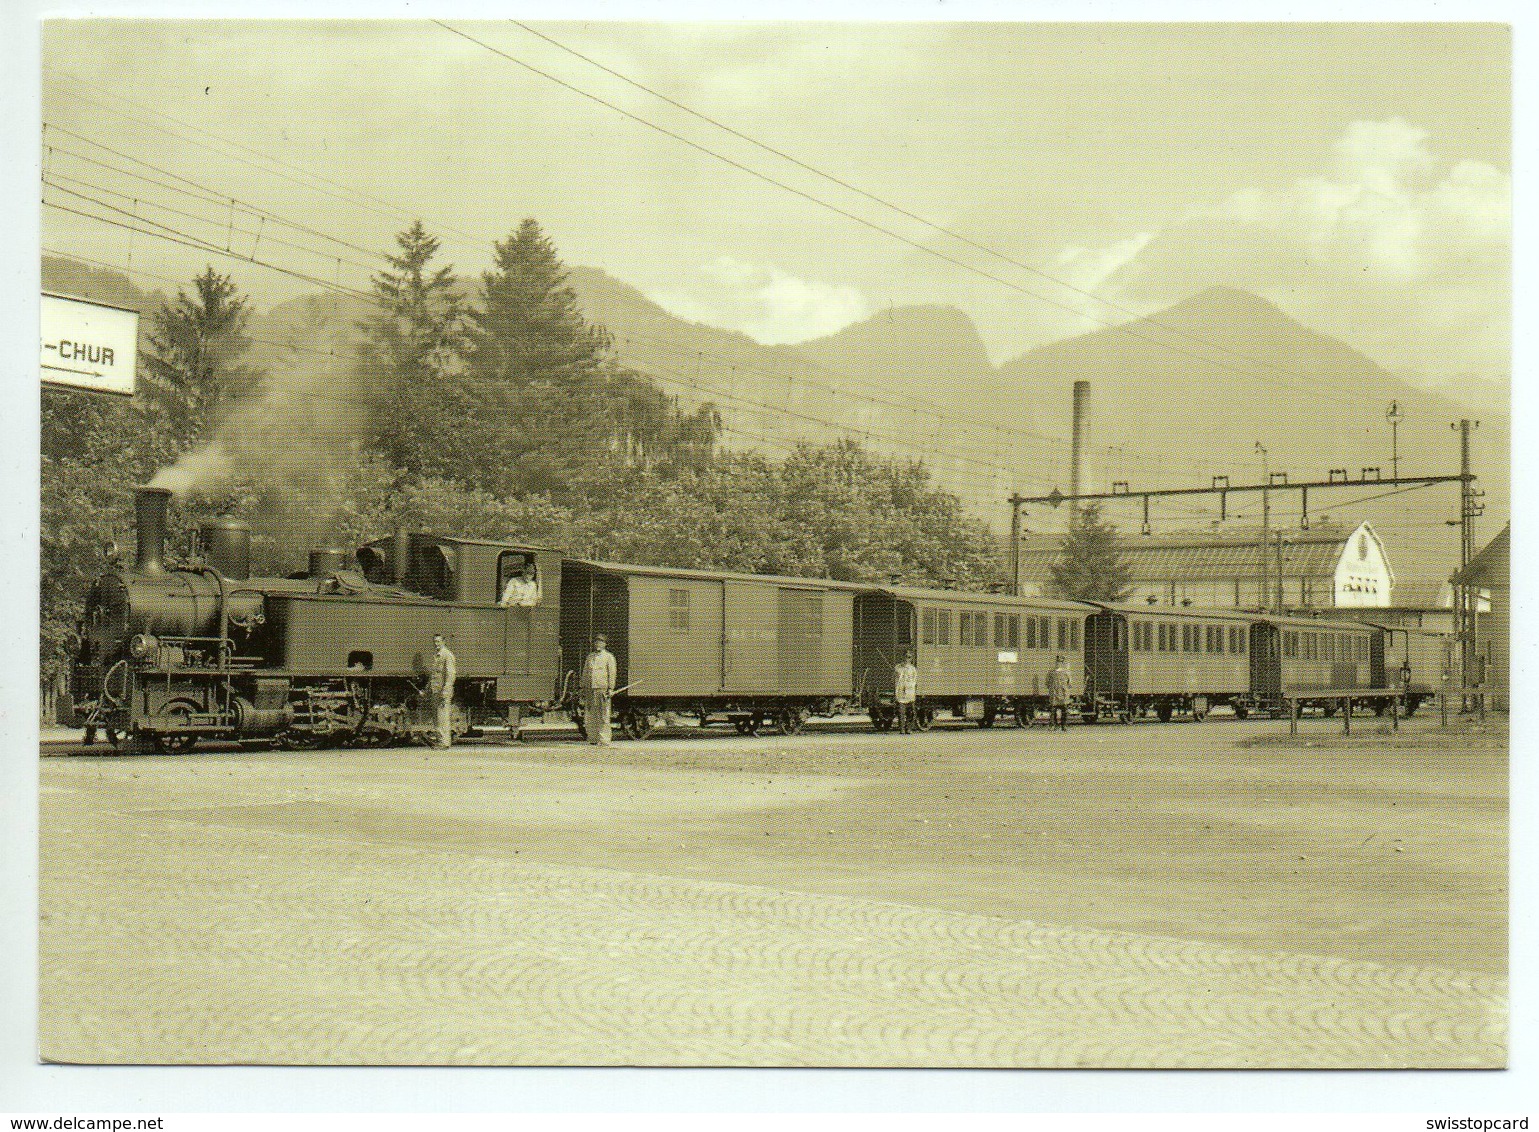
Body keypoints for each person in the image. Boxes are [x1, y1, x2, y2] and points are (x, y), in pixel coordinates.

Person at [580, 633, 617, 746]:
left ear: (605, 644)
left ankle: (604, 740)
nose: (598, 644)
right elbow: (585, 673)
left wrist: (610, 688)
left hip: (602, 690)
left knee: (603, 716)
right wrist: (582, 687)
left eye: (601, 642)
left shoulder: (608, 657)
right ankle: (593, 738)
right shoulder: (590, 657)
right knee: (590, 715)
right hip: (590, 690)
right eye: (596, 642)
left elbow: (612, 674)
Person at [429, 633, 457, 748]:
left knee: (443, 717)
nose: (436, 644)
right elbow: (434, 675)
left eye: (438, 641)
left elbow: (451, 673)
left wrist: (446, 689)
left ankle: (445, 743)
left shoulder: (447, 655)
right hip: (436, 690)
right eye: (435, 641)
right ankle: (440, 740)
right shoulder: (437, 656)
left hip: (442, 691)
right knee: (437, 717)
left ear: (443, 642)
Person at [894, 650, 919, 734]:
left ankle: (909, 728)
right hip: (900, 692)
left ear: (911, 659)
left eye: (909, 657)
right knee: (901, 713)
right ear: (903, 657)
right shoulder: (898, 668)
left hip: (910, 693)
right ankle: (902, 729)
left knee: (911, 712)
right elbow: (894, 679)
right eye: (905, 657)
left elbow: (915, 681)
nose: (906, 659)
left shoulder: (913, 669)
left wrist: (913, 689)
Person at [1047, 654, 1072, 731]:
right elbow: (1047, 683)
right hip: (1054, 694)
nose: (1058, 664)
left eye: (1060, 662)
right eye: (1057, 662)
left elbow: (1070, 684)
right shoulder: (1051, 672)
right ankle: (1053, 725)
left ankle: (1063, 726)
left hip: (1063, 695)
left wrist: (1065, 690)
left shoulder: (1066, 673)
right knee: (1053, 712)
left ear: (1062, 663)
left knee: (1064, 711)